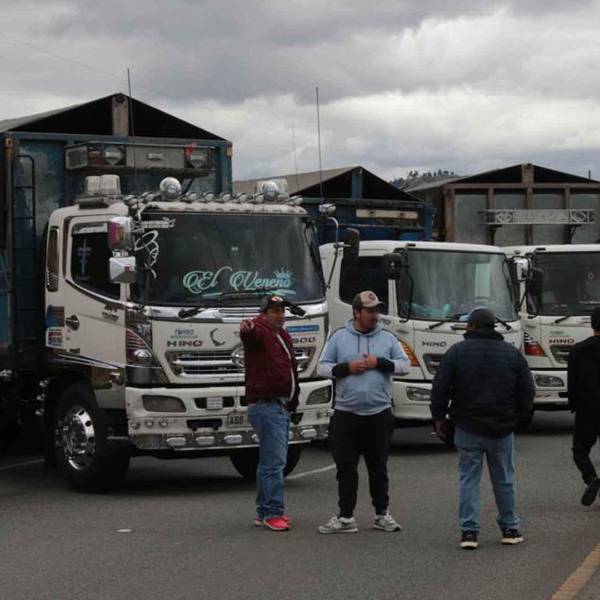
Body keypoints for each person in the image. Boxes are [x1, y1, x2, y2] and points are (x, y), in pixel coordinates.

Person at [430, 307, 535, 550]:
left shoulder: (457, 352)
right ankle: (510, 528)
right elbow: (527, 390)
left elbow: (440, 386)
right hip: (501, 428)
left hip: (468, 426)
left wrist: (438, 417)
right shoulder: (511, 354)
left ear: (472, 326)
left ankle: (469, 531)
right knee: (504, 479)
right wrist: (517, 416)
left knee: (469, 479)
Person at [316, 290, 410, 534]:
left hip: (379, 413)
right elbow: (322, 367)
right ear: (356, 312)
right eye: (369, 311)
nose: (375, 315)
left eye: (377, 310)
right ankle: (346, 517)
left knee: (378, 467)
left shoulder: (388, 338)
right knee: (346, 467)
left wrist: (379, 363)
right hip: (346, 413)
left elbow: (405, 365)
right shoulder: (339, 337)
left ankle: (382, 514)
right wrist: (347, 367)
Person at [240, 295, 299, 532]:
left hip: (279, 405)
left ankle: (264, 510)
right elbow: (250, 335)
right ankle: (272, 512)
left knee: (271, 461)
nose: (280, 315)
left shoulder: (280, 335)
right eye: (274, 311)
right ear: (263, 314)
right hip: (267, 404)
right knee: (274, 462)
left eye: (282, 311)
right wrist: (248, 328)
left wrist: (293, 398)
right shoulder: (261, 331)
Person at [567, 306, 600, 507]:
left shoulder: (578, 350)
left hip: (587, 407)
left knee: (580, 450)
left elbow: (572, 382)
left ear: (592, 324)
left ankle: (591, 478)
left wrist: (574, 404)